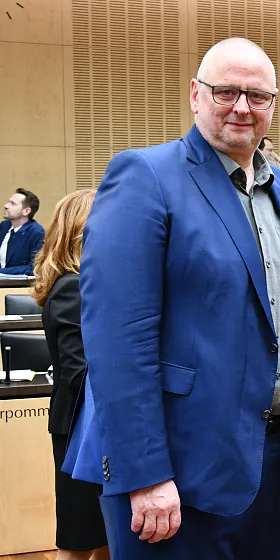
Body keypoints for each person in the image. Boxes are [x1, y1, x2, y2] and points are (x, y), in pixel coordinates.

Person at [62, 37, 280, 558]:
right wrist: (146, 473)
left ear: (274, 104)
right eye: (226, 91)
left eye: (257, 96)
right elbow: (118, 341)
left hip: (275, 464)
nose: (242, 107)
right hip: (176, 474)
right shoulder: (145, 177)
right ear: (195, 95)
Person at [33, 189, 109, 560]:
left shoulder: (84, 283)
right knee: (79, 539)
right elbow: (82, 371)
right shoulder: (72, 287)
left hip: (93, 427)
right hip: (82, 431)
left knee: (109, 535)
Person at [0, 188, 45, 275]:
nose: (6, 206)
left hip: (20, 286)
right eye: (9, 202)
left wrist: (1, 272)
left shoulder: (37, 233)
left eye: (12, 204)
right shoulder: (4, 226)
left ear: (26, 211)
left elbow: (35, 268)